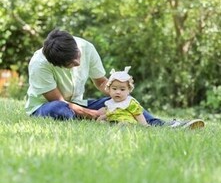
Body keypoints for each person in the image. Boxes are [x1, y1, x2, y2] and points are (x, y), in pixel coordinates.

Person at [25, 29, 205, 129]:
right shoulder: (39, 64)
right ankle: (107, 119)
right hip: (47, 107)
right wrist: (96, 113)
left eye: (78, 56)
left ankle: (166, 125)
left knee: (124, 102)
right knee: (60, 109)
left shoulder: (86, 47)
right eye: (72, 64)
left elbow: (102, 83)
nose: (78, 62)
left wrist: (118, 91)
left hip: (79, 102)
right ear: (57, 63)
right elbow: (62, 102)